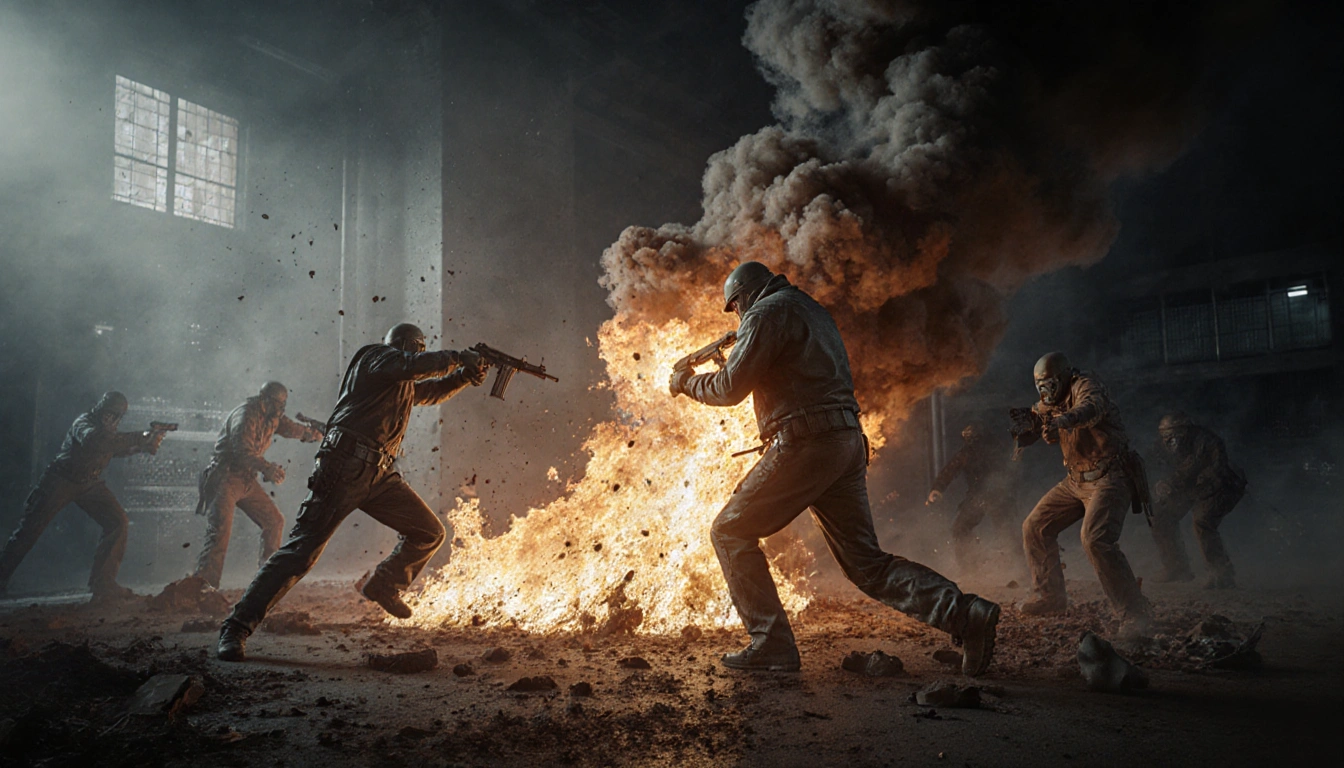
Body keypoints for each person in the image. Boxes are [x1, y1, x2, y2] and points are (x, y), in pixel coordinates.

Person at [669, 261, 1000, 676]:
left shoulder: (764, 312)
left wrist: (686, 383)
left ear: (744, 296)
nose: (736, 317)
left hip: (806, 442)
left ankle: (770, 644)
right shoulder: (811, 309)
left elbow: (729, 388)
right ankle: (965, 614)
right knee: (867, 563)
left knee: (729, 530)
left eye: (734, 307)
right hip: (844, 442)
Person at [216, 323, 485, 661]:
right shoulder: (375, 358)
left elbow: (429, 391)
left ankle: (385, 584)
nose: (418, 355)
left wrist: (464, 376)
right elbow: (413, 367)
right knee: (301, 553)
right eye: (418, 349)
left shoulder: (398, 382)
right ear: (407, 347)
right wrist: (459, 358)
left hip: (379, 474)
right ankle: (236, 627)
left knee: (429, 532)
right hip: (343, 467)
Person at [1015, 352, 1151, 635]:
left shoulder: (1085, 386)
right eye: (1039, 385)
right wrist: (1035, 430)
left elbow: (1092, 408)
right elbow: (1042, 421)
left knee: (1096, 539)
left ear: (1064, 377)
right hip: (1076, 481)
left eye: (1049, 384)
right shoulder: (1050, 402)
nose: (1044, 391)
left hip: (1110, 477)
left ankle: (1134, 613)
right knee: (1035, 526)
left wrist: (1062, 421)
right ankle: (1050, 597)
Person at [0, 391, 168, 602]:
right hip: (61, 480)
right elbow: (95, 442)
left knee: (117, 522)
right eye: (109, 415)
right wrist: (140, 436)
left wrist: (142, 447)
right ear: (100, 410)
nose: (112, 420)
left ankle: (103, 585)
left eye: (117, 417)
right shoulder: (84, 423)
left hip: (90, 483)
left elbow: (114, 449)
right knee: (29, 530)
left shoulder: (109, 431)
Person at [192, 382, 323, 589]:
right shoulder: (245, 415)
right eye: (278, 404)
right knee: (220, 532)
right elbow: (241, 451)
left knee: (274, 521)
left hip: (246, 480)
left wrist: (315, 435)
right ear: (265, 399)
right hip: (225, 478)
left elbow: (291, 428)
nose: (281, 410)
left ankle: (267, 582)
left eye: (283, 405)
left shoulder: (271, 416)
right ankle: (203, 588)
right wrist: (267, 468)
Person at [1150, 412, 1246, 589]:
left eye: (1174, 434)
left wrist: (1175, 482)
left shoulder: (1208, 442)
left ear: (1185, 430)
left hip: (1220, 487)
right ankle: (1176, 567)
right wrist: (1161, 483)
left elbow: (1212, 471)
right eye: (1166, 436)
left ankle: (1221, 573)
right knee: (1161, 517)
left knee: (1202, 521)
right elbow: (1156, 466)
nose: (1170, 440)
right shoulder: (1162, 446)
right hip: (1188, 487)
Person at [926, 422, 1019, 571]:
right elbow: (950, 470)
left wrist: (1006, 493)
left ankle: (1019, 567)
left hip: (997, 496)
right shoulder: (967, 453)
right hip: (978, 496)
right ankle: (970, 568)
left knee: (1007, 531)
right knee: (960, 528)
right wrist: (937, 488)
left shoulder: (995, 451)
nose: (973, 442)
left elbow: (1009, 472)